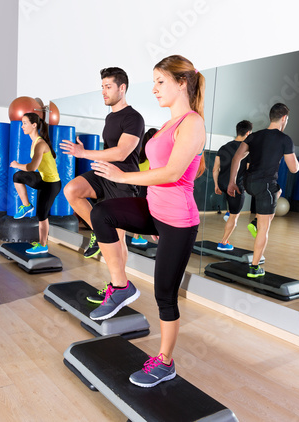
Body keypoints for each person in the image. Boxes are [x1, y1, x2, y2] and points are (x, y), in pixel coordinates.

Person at [88, 55, 206, 388]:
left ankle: (165, 362)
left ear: (181, 83)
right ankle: (121, 287)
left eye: (160, 81)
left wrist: (122, 174)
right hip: (154, 210)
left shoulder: (192, 123)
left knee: (165, 295)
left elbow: (170, 173)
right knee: (103, 212)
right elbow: (153, 171)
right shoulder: (168, 123)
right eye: (153, 82)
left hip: (177, 222)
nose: (153, 89)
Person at [60, 67, 144, 261]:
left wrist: (82, 153)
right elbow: (109, 150)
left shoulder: (134, 118)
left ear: (122, 88)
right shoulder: (110, 117)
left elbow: (122, 153)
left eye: (108, 86)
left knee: (117, 240)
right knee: (72, 190)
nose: (103, 91)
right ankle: (99, 231)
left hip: (123, 180)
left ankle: (121, 285)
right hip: (104, 173)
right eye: (102, 87)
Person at [228, 103, 299, 278]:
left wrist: (232, 181)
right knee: (264, 229)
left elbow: (237, 157)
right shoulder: (285, 139)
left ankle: (255, 222)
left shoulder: (254, 136)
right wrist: (296, 163)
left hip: (248, 183)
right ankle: (254, 268)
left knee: (278, 191)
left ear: (271, 117)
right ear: (284, 118)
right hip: (265, 186)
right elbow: (293, 169)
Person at [10, 113, 62, 254]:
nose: (22, 126)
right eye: (22, 123)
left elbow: (32, 167)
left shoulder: (40, 144)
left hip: (52, 184)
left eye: (25, 123)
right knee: (18, 177)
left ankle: (43, 245)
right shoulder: (34, 142)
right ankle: (26, 205)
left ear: (34, 125)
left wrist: (16, 164)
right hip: (43, 179)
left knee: (41, 215)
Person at [213, 120, 253, 251]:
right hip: (236, 187)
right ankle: (223, 242)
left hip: (222, 184)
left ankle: (229, 211)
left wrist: (216, 185)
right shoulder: (247, 149)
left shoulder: (223, 147)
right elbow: (248, 170)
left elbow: (215, 169)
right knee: (235, 217)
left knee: (231, 206)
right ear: (248, 133)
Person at [131, 127, 158, 247]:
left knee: (141, 213)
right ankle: (137, 237)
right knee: (149, 213)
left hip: (137, 186)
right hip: (147, 187)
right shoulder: (153, 156)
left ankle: (137, 237)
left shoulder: (140, 155)